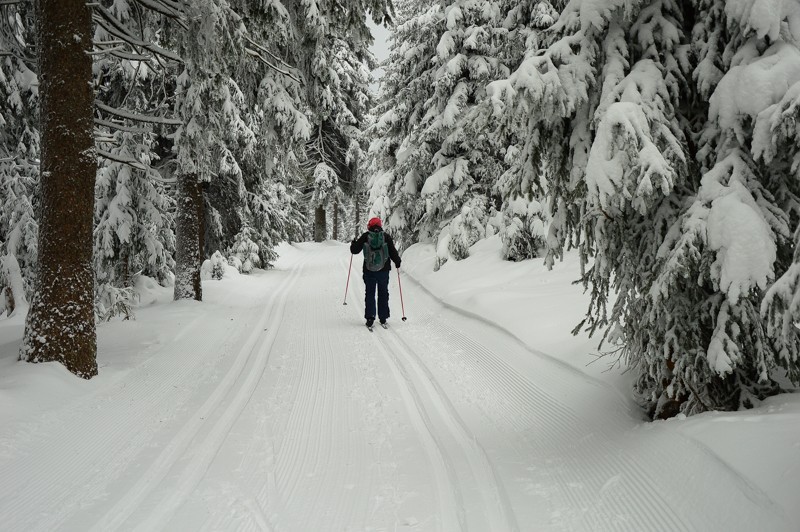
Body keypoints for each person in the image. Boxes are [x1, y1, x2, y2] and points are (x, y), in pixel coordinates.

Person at [350, 217, 401, 328]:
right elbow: (392, 251)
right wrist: (397, 261)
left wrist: (353, 244)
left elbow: (355, 250)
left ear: (370, 225)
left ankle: (370, 317)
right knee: (383, 292)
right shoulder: (386, 237)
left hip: (369, 270)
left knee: (370, 293)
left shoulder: (365, 236)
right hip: (384, 270)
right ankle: (383, 318)